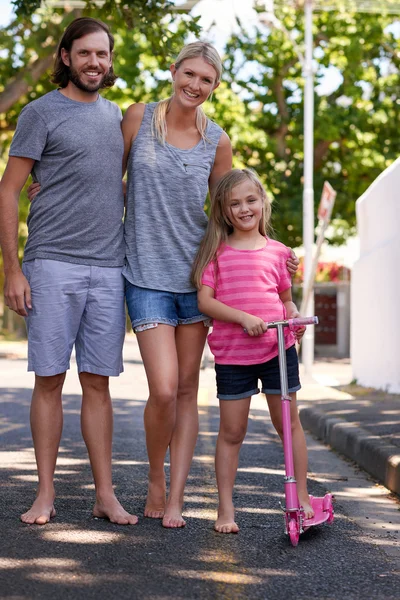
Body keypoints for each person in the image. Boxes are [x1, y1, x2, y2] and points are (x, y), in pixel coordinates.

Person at [121, 43, 299, 528]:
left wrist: (273, 257)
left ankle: (176, 498)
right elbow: (106, 181)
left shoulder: (216, 139)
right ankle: (156, 476)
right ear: (174, 70)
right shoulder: (138, 118)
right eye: (190, 74)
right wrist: (51, 184)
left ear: (214, 87)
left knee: (185, 388)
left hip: (198, 276)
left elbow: (231, 212)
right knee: (161, 388)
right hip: (144, 274)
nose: (195, 85)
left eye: (207, 80)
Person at [0, 18, 137, 525]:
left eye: (102, 55)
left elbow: (110, 184)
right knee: (50, 380)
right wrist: (13, 270)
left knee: (99, 383)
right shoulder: (40, 113)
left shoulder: (116, 116)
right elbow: (8, 188)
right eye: (85, 54)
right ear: (65, 56)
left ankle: (105, 494)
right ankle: (44, 494)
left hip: (108, 267)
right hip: (51, 262)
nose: (95, 63)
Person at [191, 168, 313, 534]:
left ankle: (302, 497)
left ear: (262, 202)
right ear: (224, 212)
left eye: (251, 200)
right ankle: (225, 509)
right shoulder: (216, 252)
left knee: (288, 425)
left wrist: (293, 317)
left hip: (278, 351)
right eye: (235, 203)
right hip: (233, 356)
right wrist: (243, 318)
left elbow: (285, 300)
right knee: (232, 431)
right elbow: (205, 302)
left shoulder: (279, 253)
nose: (244, 208)